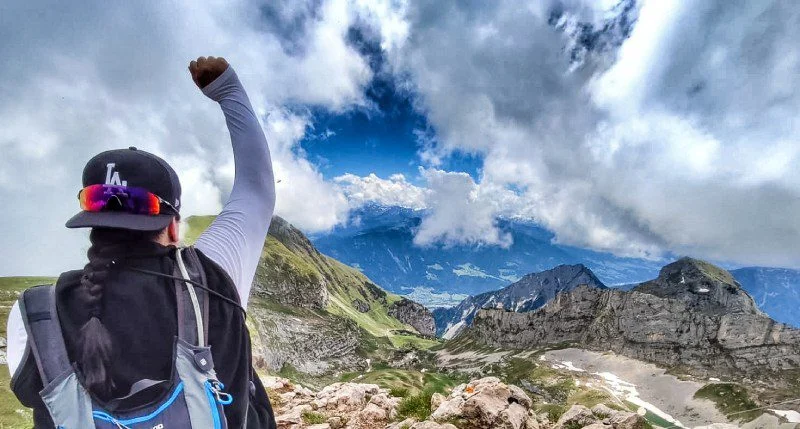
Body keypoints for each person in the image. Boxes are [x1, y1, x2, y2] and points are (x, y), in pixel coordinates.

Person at [6, 56, 277, 428]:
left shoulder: (34, 315)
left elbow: (28, 392)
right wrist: (227, 88)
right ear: (171, 227)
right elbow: (257, 190)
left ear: (91, 222)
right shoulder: (210, 280)